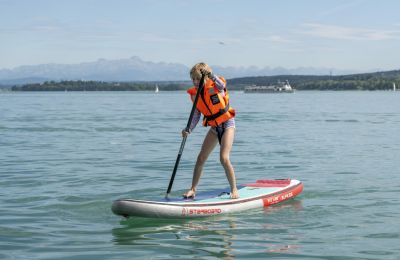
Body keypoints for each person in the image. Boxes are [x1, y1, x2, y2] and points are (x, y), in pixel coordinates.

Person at [182, 62, 239, 199]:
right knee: (201, 158)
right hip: (214, 127)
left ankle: (234, 189)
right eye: (193, 79)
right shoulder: (195, 95)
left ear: (205, 77)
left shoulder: (215, 86)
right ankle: (193, 190)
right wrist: (188, 129)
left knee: (224, 158)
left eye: (197, 78)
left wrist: (211, 76)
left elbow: (222, 86)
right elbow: (196, 115)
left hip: (227, 125)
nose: (195, 82)